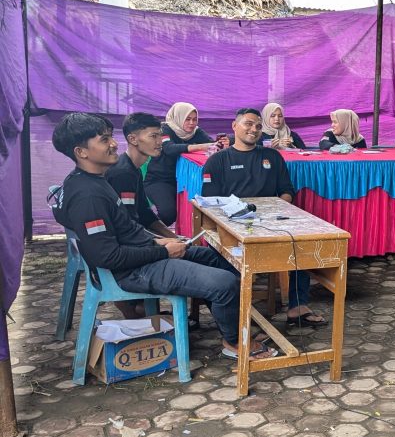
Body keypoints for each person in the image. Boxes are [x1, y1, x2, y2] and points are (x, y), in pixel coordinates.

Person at [51, 113, 275, 360]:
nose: (114, 144)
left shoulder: (97, 180)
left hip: (144, 253)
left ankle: (232, 324)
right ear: (81, 152)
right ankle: (234, 342)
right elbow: (108, 256)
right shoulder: (88, 195)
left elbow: (130, 226)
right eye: (104, 140)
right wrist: (163, 250)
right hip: (131, 270)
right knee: (224, 283)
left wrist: (161, 240)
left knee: (221, 259)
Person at [202, 108, 327, 328]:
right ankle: (237, 316)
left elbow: (287, 190)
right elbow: (211, 203)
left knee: (301, 244)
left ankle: (297, 307)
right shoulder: (217, 161)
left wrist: (278, 206)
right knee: (227, 261)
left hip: (270, 223)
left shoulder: (272, 156)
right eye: (248, 124)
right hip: (233, 226)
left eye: (258, 126)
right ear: (234, 126)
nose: (254, 129)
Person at [145, 102, 228, 226]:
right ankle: (149, 233)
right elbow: (169, 148)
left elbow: (211, 144)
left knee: (198, 209)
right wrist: (200, 146)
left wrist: (221, 145)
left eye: (195, 119)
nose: (192, 123)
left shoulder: (196, 131)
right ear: (178, 117)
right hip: (160, 180)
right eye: (187, 119)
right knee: (168, 213)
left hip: (185, 181)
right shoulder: (165, 129)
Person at [106, 112, 176, 238]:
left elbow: (144, 212)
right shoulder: (123, 174)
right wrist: (163, 241)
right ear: (132, 139)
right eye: (153, 136)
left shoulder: (134, 169)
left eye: (160, 135)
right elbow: (128, 224)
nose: (160, 142)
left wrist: (173, 236)